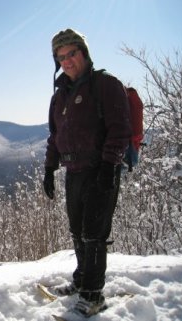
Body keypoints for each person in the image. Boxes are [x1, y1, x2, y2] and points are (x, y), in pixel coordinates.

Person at [43, 29, 131, 317]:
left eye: (72, 53)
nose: (67, 60)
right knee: (77, 232)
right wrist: (49, 168)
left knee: (94, 234)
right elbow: (55, 137)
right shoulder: (59, 98)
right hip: (74, 171)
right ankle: (82, 283)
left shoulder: (105, 85)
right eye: (61, 56)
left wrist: (109, 166)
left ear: (84, 52)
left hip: (100, 170)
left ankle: (93, 296)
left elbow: (120, 130)